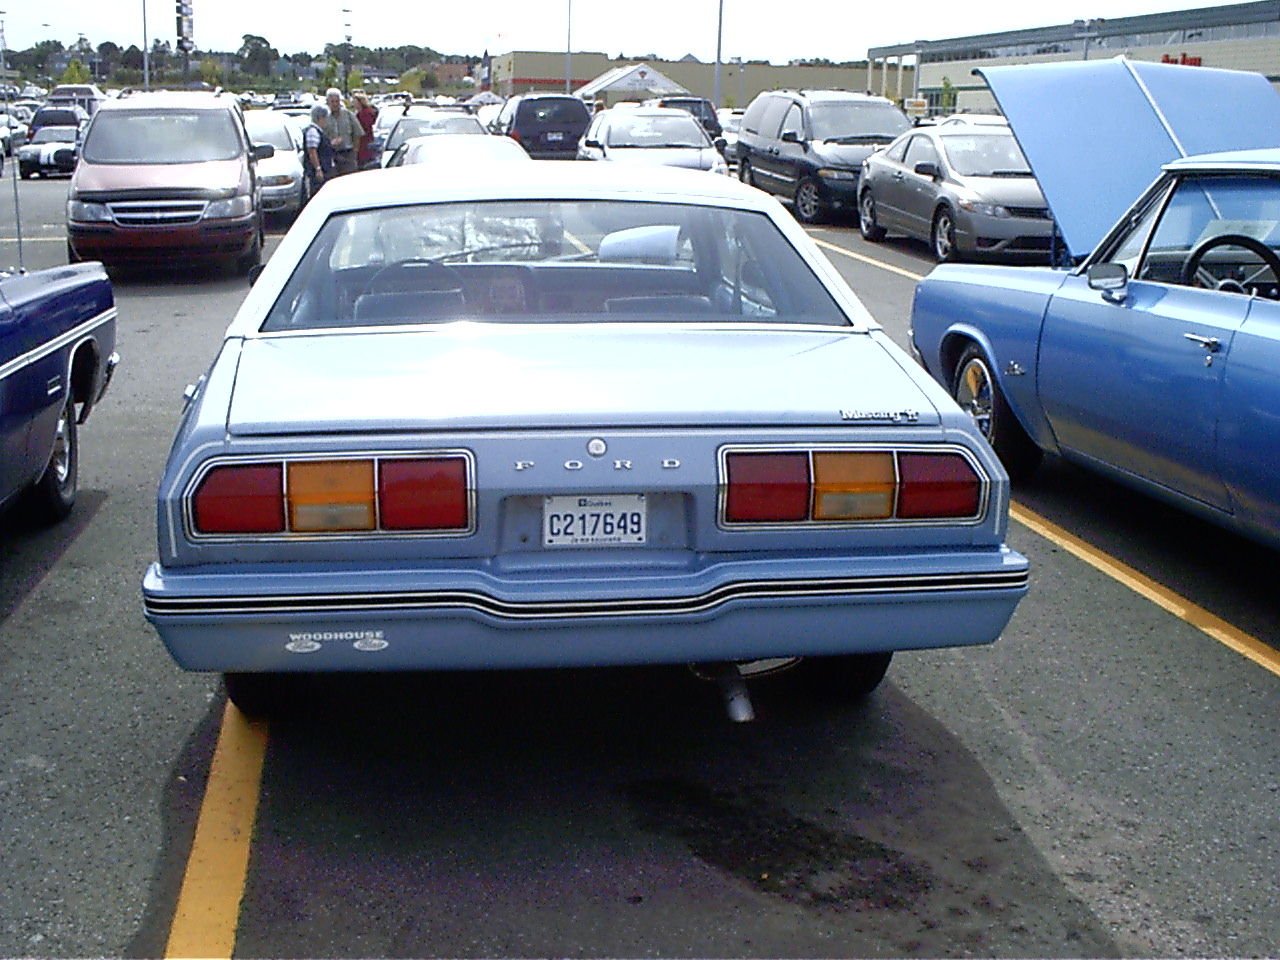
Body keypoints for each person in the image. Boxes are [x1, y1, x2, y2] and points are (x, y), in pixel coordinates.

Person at [325, 87, 363, 176]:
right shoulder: (325, 117)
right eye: (332, 102)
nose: (335, 104)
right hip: (331, 154)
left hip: (347, 153)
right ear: (328, 102)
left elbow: (357, 133)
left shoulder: (348, 115)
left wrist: (354, 152)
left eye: (337, 101)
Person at [303, 104, 333, 198]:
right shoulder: (313, 131)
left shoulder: (318, 131)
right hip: (318, 170)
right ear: (321, 118)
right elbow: (312, 151)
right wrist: (318, 169)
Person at [351, 90, 378, 169]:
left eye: (355, 102)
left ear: (360, 102)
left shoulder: (365, 113)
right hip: (361, 142)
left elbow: (366, 127)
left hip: (365, 142)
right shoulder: (359, 112)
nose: (353, 103)